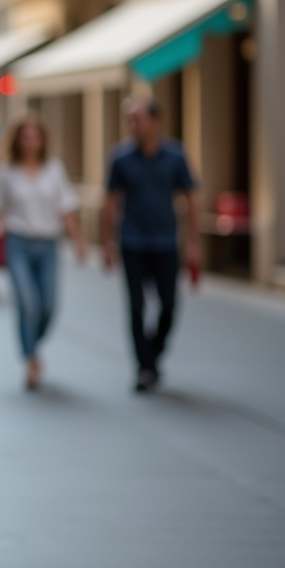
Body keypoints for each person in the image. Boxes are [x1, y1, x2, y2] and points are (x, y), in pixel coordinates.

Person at [0, 117, 87, 390]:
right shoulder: (5, 171)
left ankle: (32, 342)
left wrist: (78, 240)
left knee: (48, 306)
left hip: (48, 243)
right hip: (18, 243)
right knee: (28, 304)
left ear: (42, 140)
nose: (30, 142)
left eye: (35, 137)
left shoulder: (54, 169)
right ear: (17, 141)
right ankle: (31, 359)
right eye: (25, 137)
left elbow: (66, 208)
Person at [101, 97, 200, 393]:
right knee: (136, 306)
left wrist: (194, 242)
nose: (132, 125)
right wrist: (107, 243)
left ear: (155, 121)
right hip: (132, 241)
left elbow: (192, 198)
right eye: (129, 120)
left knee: (169, 304)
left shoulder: (175, 156)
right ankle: (144, 367)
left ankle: (152, 354)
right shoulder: (120, 158)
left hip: (165, 242)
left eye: (138, 119)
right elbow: (109, 202)